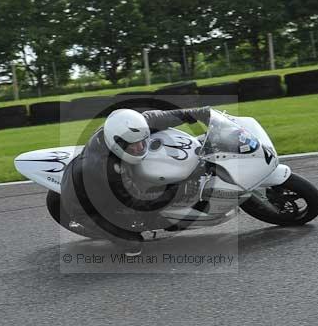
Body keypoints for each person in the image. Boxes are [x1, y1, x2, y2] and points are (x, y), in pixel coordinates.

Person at [60, 107, 211, 256]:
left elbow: (160, 116)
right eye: (133, 144)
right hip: (85, 205)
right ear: (118, 143)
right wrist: (177, 191)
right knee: (134, 244)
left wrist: (198, 113)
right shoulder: (105, 168)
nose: (140, 147)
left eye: (142, 141)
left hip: (99, 178)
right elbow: (138, 202)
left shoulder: (127, 128)